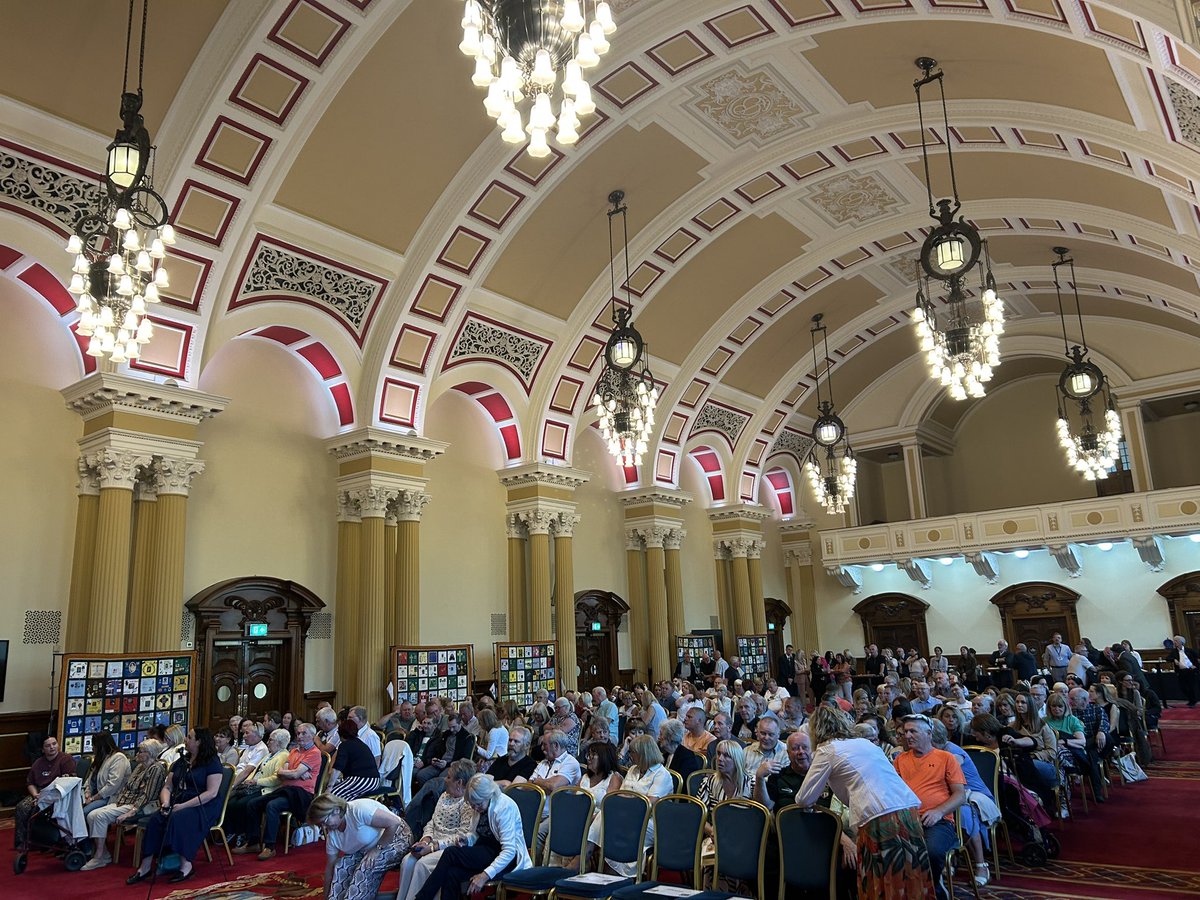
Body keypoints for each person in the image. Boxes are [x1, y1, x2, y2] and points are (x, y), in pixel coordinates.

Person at [794, 706, 931, 897]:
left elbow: (804, 798)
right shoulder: (864, 743)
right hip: (907, 809)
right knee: (911, 874)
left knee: (883, 879)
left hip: (878, 816)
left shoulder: (827, 750)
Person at [126, 729, 224, 886]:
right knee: (156, 820)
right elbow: (167, 787)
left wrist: (183, 806)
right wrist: (165, 802)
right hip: (178, 801)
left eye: (190, 737)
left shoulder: (212, 762)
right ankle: (144, 868)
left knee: (179, 818)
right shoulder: (182, 761)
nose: (185, 739)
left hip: (203, 805)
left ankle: (186, 865)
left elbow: (211, 793)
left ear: (199, 741)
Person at [413, 774, 532, 899]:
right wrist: (467, 840)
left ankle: (422, 897)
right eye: (472, 805)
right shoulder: (479, 804)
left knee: (450, 853)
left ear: (488, 796)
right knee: (452, 873)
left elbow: (509, 851)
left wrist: (485, 875)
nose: (475, 808)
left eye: (478, 804)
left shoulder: (503, 807)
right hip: (486, 848)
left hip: (505, 856)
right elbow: (475, 834)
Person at [894, 715, 965, 900]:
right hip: (908, 820)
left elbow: (960, 795)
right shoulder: (900, 760)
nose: (907, 735)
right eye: (905, 732)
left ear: (928, 733)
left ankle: (933, 892)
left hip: (940, 821)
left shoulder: (946, 758)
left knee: (931, 851)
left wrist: (939, 811)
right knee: (888, 849)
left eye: (913, 731)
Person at [587, 734, 672, 875]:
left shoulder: (662, 775)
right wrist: (632, 800)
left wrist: (628, 799)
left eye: (633, 753)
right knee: (603, 815)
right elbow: (618, 795)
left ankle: (602, 867)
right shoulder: (633, 770)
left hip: (650, 821)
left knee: (609, 821)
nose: (630, 756)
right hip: (626, 814)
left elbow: (649, 804)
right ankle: (591, 859)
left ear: (643, 754)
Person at [238, 722, 322, 860]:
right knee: (253, 804)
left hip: (301, 794)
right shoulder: (294, 751)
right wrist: (296, 772)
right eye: (298, 733)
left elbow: (291, 774)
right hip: (286, 790)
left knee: (272, 806)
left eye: (303, 733)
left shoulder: (314, 753)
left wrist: (293, 772)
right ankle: (253, 842)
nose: (299, 736)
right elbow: (280, 773)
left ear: (312, 736)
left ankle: (269, 847)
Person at [81, 738, 167, 870]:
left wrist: (131, 812)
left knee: (99, 816)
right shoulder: (139, 767)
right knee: (91, 815)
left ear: (150, 754)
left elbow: (147, 795)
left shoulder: (156, 769)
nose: (137, 754)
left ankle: (99, 857)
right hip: (124, 801)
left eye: (141, 751)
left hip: (139, 806)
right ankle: (103, 853)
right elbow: (127, 787)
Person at [397, 759, 477, 900]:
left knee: (422, 865)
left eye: (449, 777)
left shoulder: (468, 803)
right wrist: (425, 840)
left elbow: (462, 836)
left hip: (450, 848)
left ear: (459, 783)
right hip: (432, 842)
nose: (445, 780)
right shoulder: (444, 795)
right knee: (407, 861)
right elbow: (432, 823)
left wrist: (433, 847)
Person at [310, 792, 414, 900]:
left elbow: (394, 823)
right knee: (341, 866)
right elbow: (330, 869)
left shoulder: (358, 809)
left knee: (366, 866)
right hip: (367, 848)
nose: (324, 828)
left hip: (397, 837)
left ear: (336, 810)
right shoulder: (332, 836)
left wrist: (377, 849)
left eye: (325, 821)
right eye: (320, 825)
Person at [225, 727, 292, 849]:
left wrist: (256, 781)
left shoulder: (283, 755)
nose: (268, 742)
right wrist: (246, 781)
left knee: (244, 804)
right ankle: (233, 832)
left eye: (271, 740)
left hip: (268, 789)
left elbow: (277, 779)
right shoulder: (270, 755)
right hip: (255, 786)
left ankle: (246, 836)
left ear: (279, 743)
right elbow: (256, 771)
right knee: (231, 802)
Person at [14, 735, 76, 851]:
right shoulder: (38, 763)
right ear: (43, 749)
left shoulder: (66, 759)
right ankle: (22, 842)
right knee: (21, 808)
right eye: (48, 746)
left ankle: (57, 840)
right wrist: (35, 795)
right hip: (39, 793)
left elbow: (69, 782)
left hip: (57, 795)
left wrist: (47, 796)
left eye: (54, 744)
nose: (52, 747)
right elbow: (30, 783)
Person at [328, 718, 381, 800]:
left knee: (332, 796)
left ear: (340, 733)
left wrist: (329, 787)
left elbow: (338, 768)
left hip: (363, 779)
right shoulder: (359, 743)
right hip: (371, 780)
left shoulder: (344, 745)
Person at [81, 729, 130, 817]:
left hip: (110, 798)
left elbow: (112, 786)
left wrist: (92, 799)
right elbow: (89, 781)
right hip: (95, 797)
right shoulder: (100, 759)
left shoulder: (118, 758)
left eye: (94, 745)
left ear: (101, 746)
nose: (92, 748)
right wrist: (87, 793)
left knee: (83, 813)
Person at [659, 718, 703, 784]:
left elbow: (681, 783)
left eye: (661, 734)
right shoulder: (666, 754)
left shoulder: (687, 757)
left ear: (670, 737)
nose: (659, 737)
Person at [233, 720, 272, 788]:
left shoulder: (261, 749)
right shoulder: (250, 746)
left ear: (257, 734)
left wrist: (231, 786)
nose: (244, 736)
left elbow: (247, 772)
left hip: (243, 784)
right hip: (235, 777)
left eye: (247, 733)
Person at [1167, 635, 1199, 707]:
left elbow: (1197, 658)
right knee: (1183, 687)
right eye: (1174, 641)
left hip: (1191, 671)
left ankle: (1193, 701)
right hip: (1181, 672)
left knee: (1191, 686)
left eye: (1176, 641)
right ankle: (1191, 699)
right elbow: (1168, 658)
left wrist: (1195, 666)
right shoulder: (1174, 652)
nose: (1174, 643)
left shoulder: (1189, 650)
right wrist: (1174, 659)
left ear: (1181, 642)